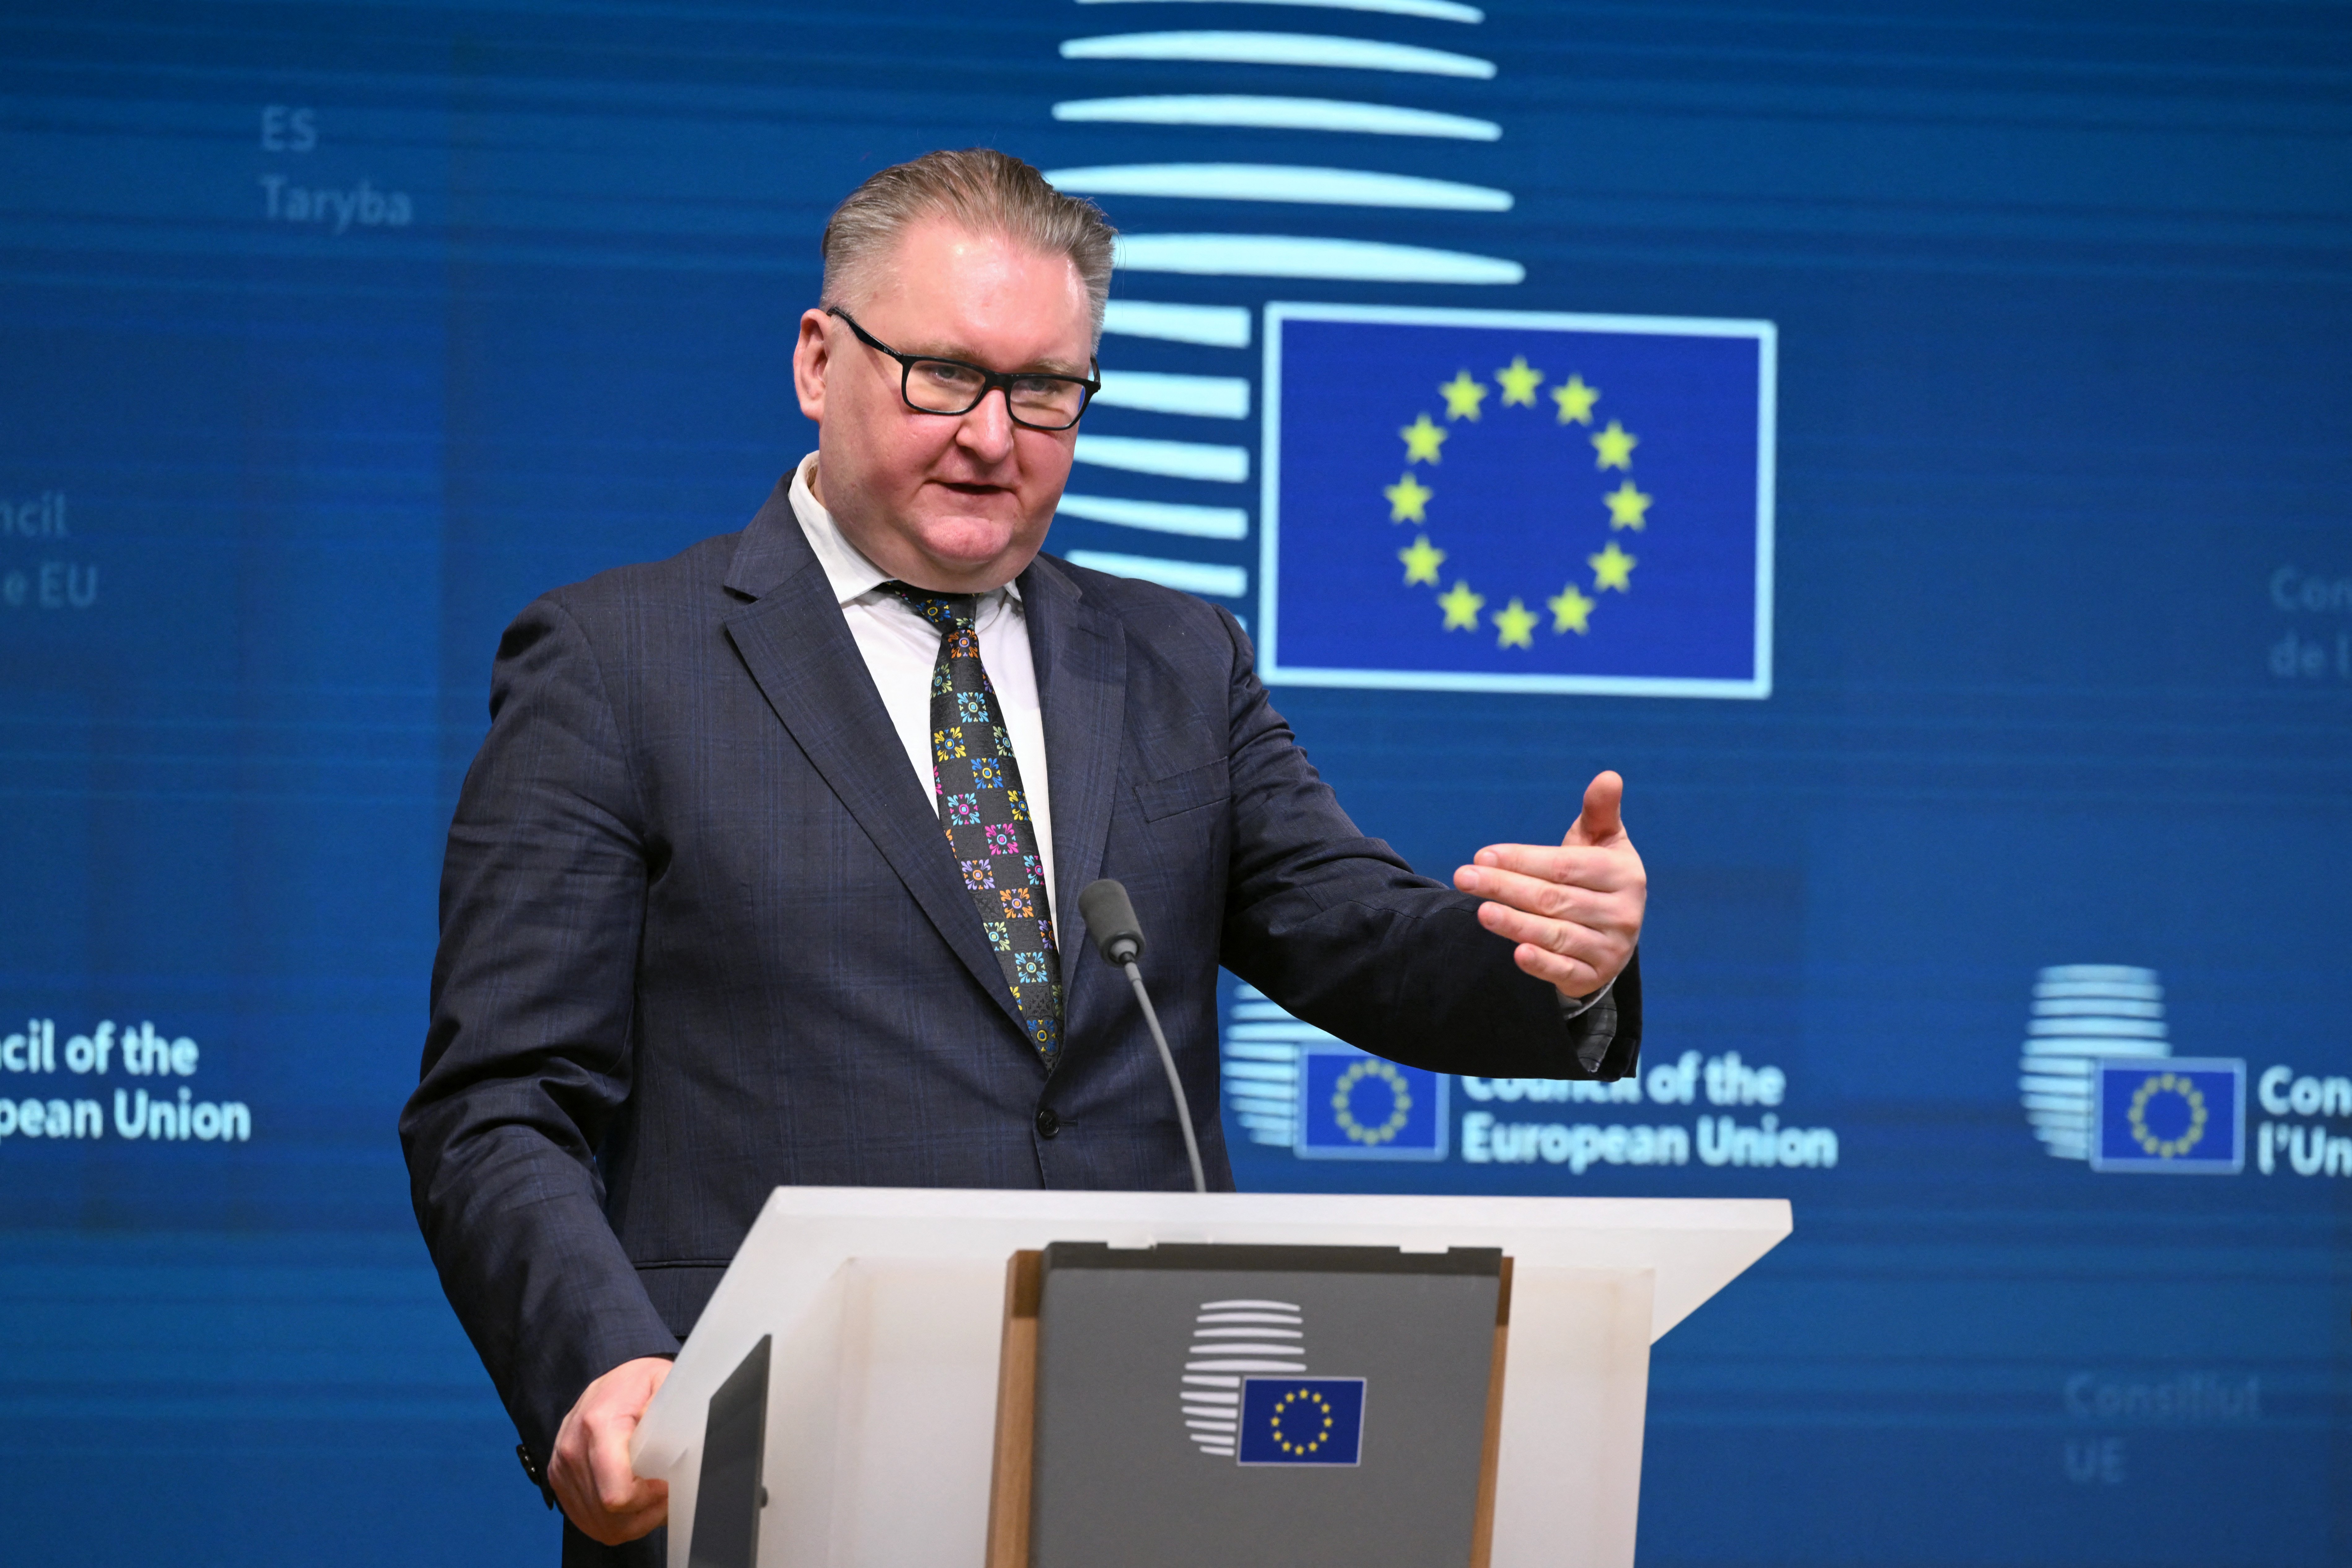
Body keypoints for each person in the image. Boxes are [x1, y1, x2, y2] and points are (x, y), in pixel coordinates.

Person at [399, 149, 1647, 1565]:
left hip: (1153, 1469)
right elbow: (499, 1104)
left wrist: (1557, 953)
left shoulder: (1178, 658)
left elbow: (1360, 936)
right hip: (769, 1466)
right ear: (819, 361)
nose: (994, 437)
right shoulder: (619, 663)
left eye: (1045, 390)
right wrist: (603, 1362)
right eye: (944, 375)